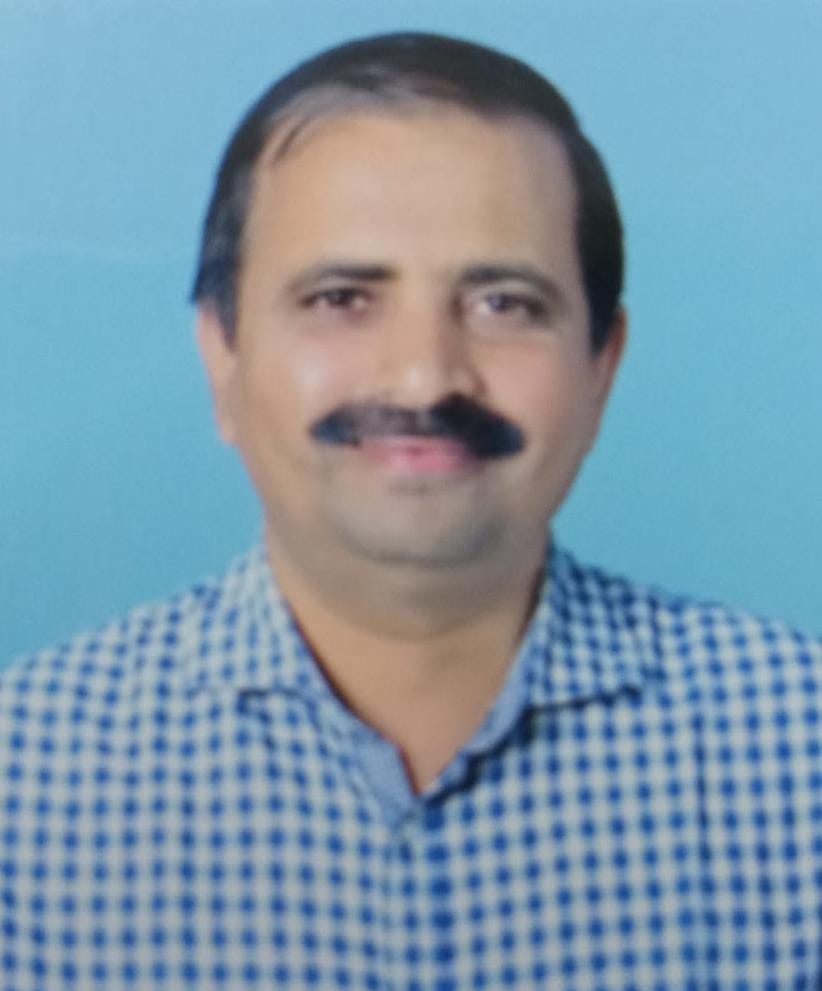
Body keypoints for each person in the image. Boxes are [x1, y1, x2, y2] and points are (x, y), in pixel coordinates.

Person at [2, 31, 821, 991]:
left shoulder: (798, 751)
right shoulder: (25, 780)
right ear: (222, 357)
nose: (426, 376)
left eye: (504, 303)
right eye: (342, 297)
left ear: (602, 365)